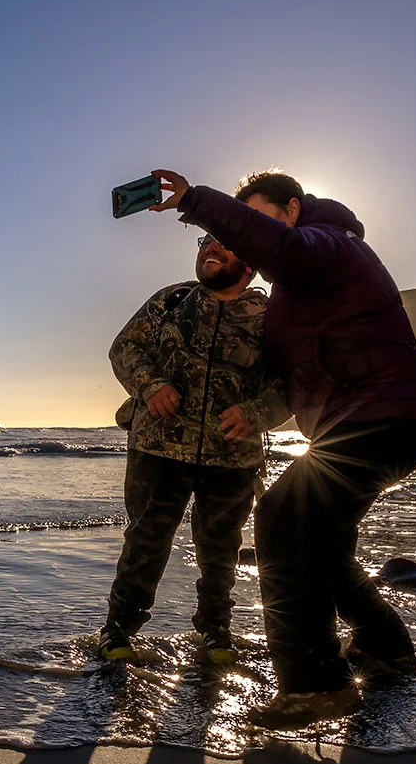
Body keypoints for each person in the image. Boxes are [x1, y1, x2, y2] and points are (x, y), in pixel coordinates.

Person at [149, 167, 416, 728]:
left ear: (292, 209)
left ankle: (315, 685)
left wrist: (196, 201)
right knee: (323, 547)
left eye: (258, 219)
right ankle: (386, 647)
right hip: (360, 422)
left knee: (283, 518)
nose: (246, 239)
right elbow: (288, 378)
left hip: (383, 415)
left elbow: (283, 249)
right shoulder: (293, 289)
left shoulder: (331, 247)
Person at [101, 231, 288, 667]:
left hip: (233, 454)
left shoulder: (270, 316)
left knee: (221, 551)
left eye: (226, 243)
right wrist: (151, 385)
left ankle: (215, 628)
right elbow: (124, 348)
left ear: (251, 264)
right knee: (145, 541)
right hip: (158, 447)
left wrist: (255, 412)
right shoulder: (171, 301)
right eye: (206, 240)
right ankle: (118, 628)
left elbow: (292, 381)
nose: (210, 248)